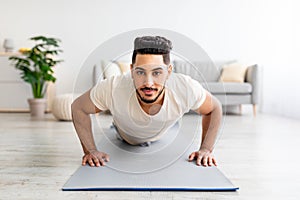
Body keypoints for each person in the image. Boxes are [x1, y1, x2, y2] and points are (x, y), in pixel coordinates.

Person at [71, 36, 222, 168]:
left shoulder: (186, 87)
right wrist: (90, 151)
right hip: (125, 135)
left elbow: (214, 108)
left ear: (169, 72)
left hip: (165, 129)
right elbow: (78, 108)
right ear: (131, 70)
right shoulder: (112, 87)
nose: (148, 83)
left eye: (157, 73)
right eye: (140, 72)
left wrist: (206, 149)